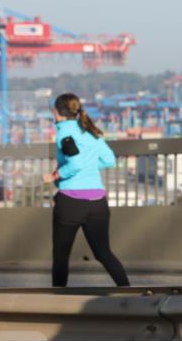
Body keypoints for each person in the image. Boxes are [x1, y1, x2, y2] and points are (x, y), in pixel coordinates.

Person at [43, 93, 130, 288]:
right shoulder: (90, 131)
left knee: (61, 255)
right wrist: (90, 167)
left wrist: (55, 175)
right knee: (103, 252)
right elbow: (109, 160)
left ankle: (58, 299)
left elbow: (75, 164)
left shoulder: (65, 134)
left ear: (56, 112)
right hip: (98, 202)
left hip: (71, 203)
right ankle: (128, 290)